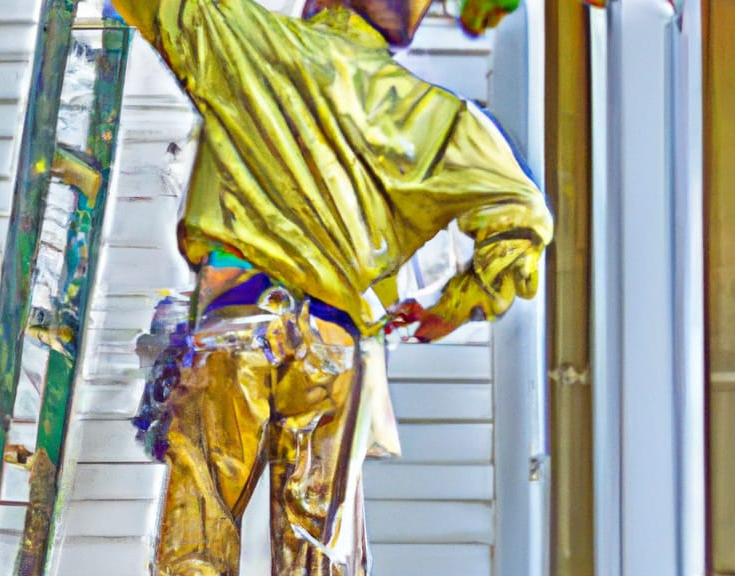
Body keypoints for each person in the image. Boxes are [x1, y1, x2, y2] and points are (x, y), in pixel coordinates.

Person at [114, 0, 553, 573]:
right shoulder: (434, 119)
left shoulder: (246, 39)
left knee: (200, 528)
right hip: (336, 343)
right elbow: (520, 217)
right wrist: (456, 304)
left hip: (235, 316)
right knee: (318, 552)